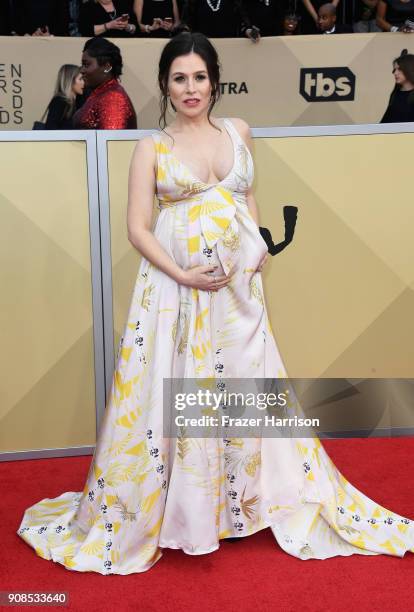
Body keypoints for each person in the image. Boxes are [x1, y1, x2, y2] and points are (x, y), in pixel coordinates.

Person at [17, 31, 414, 574]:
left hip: (239, 294)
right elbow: (137, 228)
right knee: (185, 392)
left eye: (199, 77)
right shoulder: (152, 146)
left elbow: (246, 197)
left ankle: (241, 503)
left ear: (214, 80)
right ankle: (191, 511)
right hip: (176, 293)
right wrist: (181, 272)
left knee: (247, 390)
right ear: (165, 83)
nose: (190, 88)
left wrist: (257, 250)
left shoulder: (238, 131)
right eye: (179, 78)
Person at [72, 37, 137, 129]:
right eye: (82, 65)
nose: (82, 70)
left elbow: (112, 141)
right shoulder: (100, 92)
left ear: (107, 67)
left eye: (86, 64)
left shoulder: (113, 98)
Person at [40, 64, 85, 129]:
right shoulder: (59, 101)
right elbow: (51, 128)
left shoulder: (79, 100)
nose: (83, 82)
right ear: (70, 80)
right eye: (80, 79)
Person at [381, 51, 414, 122]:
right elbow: (386, 120)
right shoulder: (395, 94)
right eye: (394, 69)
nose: (395, 73)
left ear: (409, 69)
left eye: (399, 69)